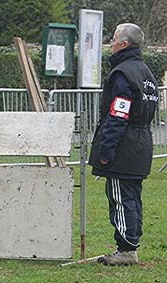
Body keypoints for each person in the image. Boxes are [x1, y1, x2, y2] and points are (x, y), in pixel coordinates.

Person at [89, 23, 159, 266]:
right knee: (132, 197)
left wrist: (106, 150)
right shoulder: (146, 73)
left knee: (120, 196)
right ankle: (131, 245)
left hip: (124, 147)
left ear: (124, 44)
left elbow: (118, 114)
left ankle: (126, 249)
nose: (111, 43)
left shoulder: (122, 74)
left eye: (114, 39)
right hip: (141, 143)